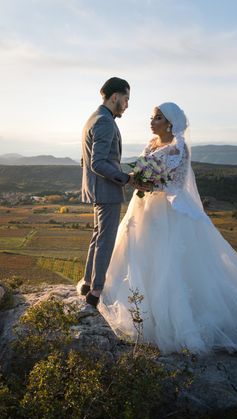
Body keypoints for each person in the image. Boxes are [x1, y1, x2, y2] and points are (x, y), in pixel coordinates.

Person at [98, 102, 237, 354]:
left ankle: (178, 320)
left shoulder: (178, 149)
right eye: (152, 117)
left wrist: (152, 184)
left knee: (170, 261)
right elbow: (142, 169)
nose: (152, 121)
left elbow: (177, 182)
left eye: (157, 118)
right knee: (138, 252)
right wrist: (140, 179)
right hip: (145, 208)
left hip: (170, 210)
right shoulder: (151, 144)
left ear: (170, 123)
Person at [79, 77, 149, 307]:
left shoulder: (93, 118)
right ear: (115, 97)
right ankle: (96, 292)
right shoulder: (105, 122)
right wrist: (126, 179)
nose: (127, 105)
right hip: (106, 190)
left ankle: (88, 283)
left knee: (97, 237)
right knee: (105, 241)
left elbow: (89, 159)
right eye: (126, 99)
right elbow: (97, 162)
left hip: (97, 188)